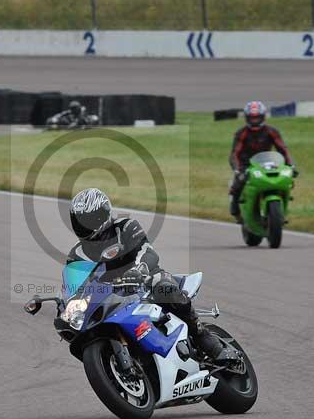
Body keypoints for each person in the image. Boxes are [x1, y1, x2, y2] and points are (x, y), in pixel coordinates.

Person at [66, 188, 239, 363]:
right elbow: (75, 286)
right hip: (111, 296)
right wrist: (65, 304)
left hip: (145, 279)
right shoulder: (77, 254)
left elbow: (147, 252)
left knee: (164, 287)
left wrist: (138, 270)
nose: (83, 226)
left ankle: (204, 338)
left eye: (88, 220)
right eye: (79, 221)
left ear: (102, 215)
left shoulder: (125, 226)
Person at [228, 100, 295, 221]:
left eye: (257, 118)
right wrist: (238, 171)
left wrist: (291, 165)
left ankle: (280, 212)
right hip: (246, 164)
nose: (254, 121)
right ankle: (235, 210)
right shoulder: (241, 133)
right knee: (238, 184)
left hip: (267, 162)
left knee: (284, 181)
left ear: (263, 117)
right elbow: (234, 154)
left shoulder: (272, 131)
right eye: (252, 118)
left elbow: (283, 149)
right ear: (247, 118)